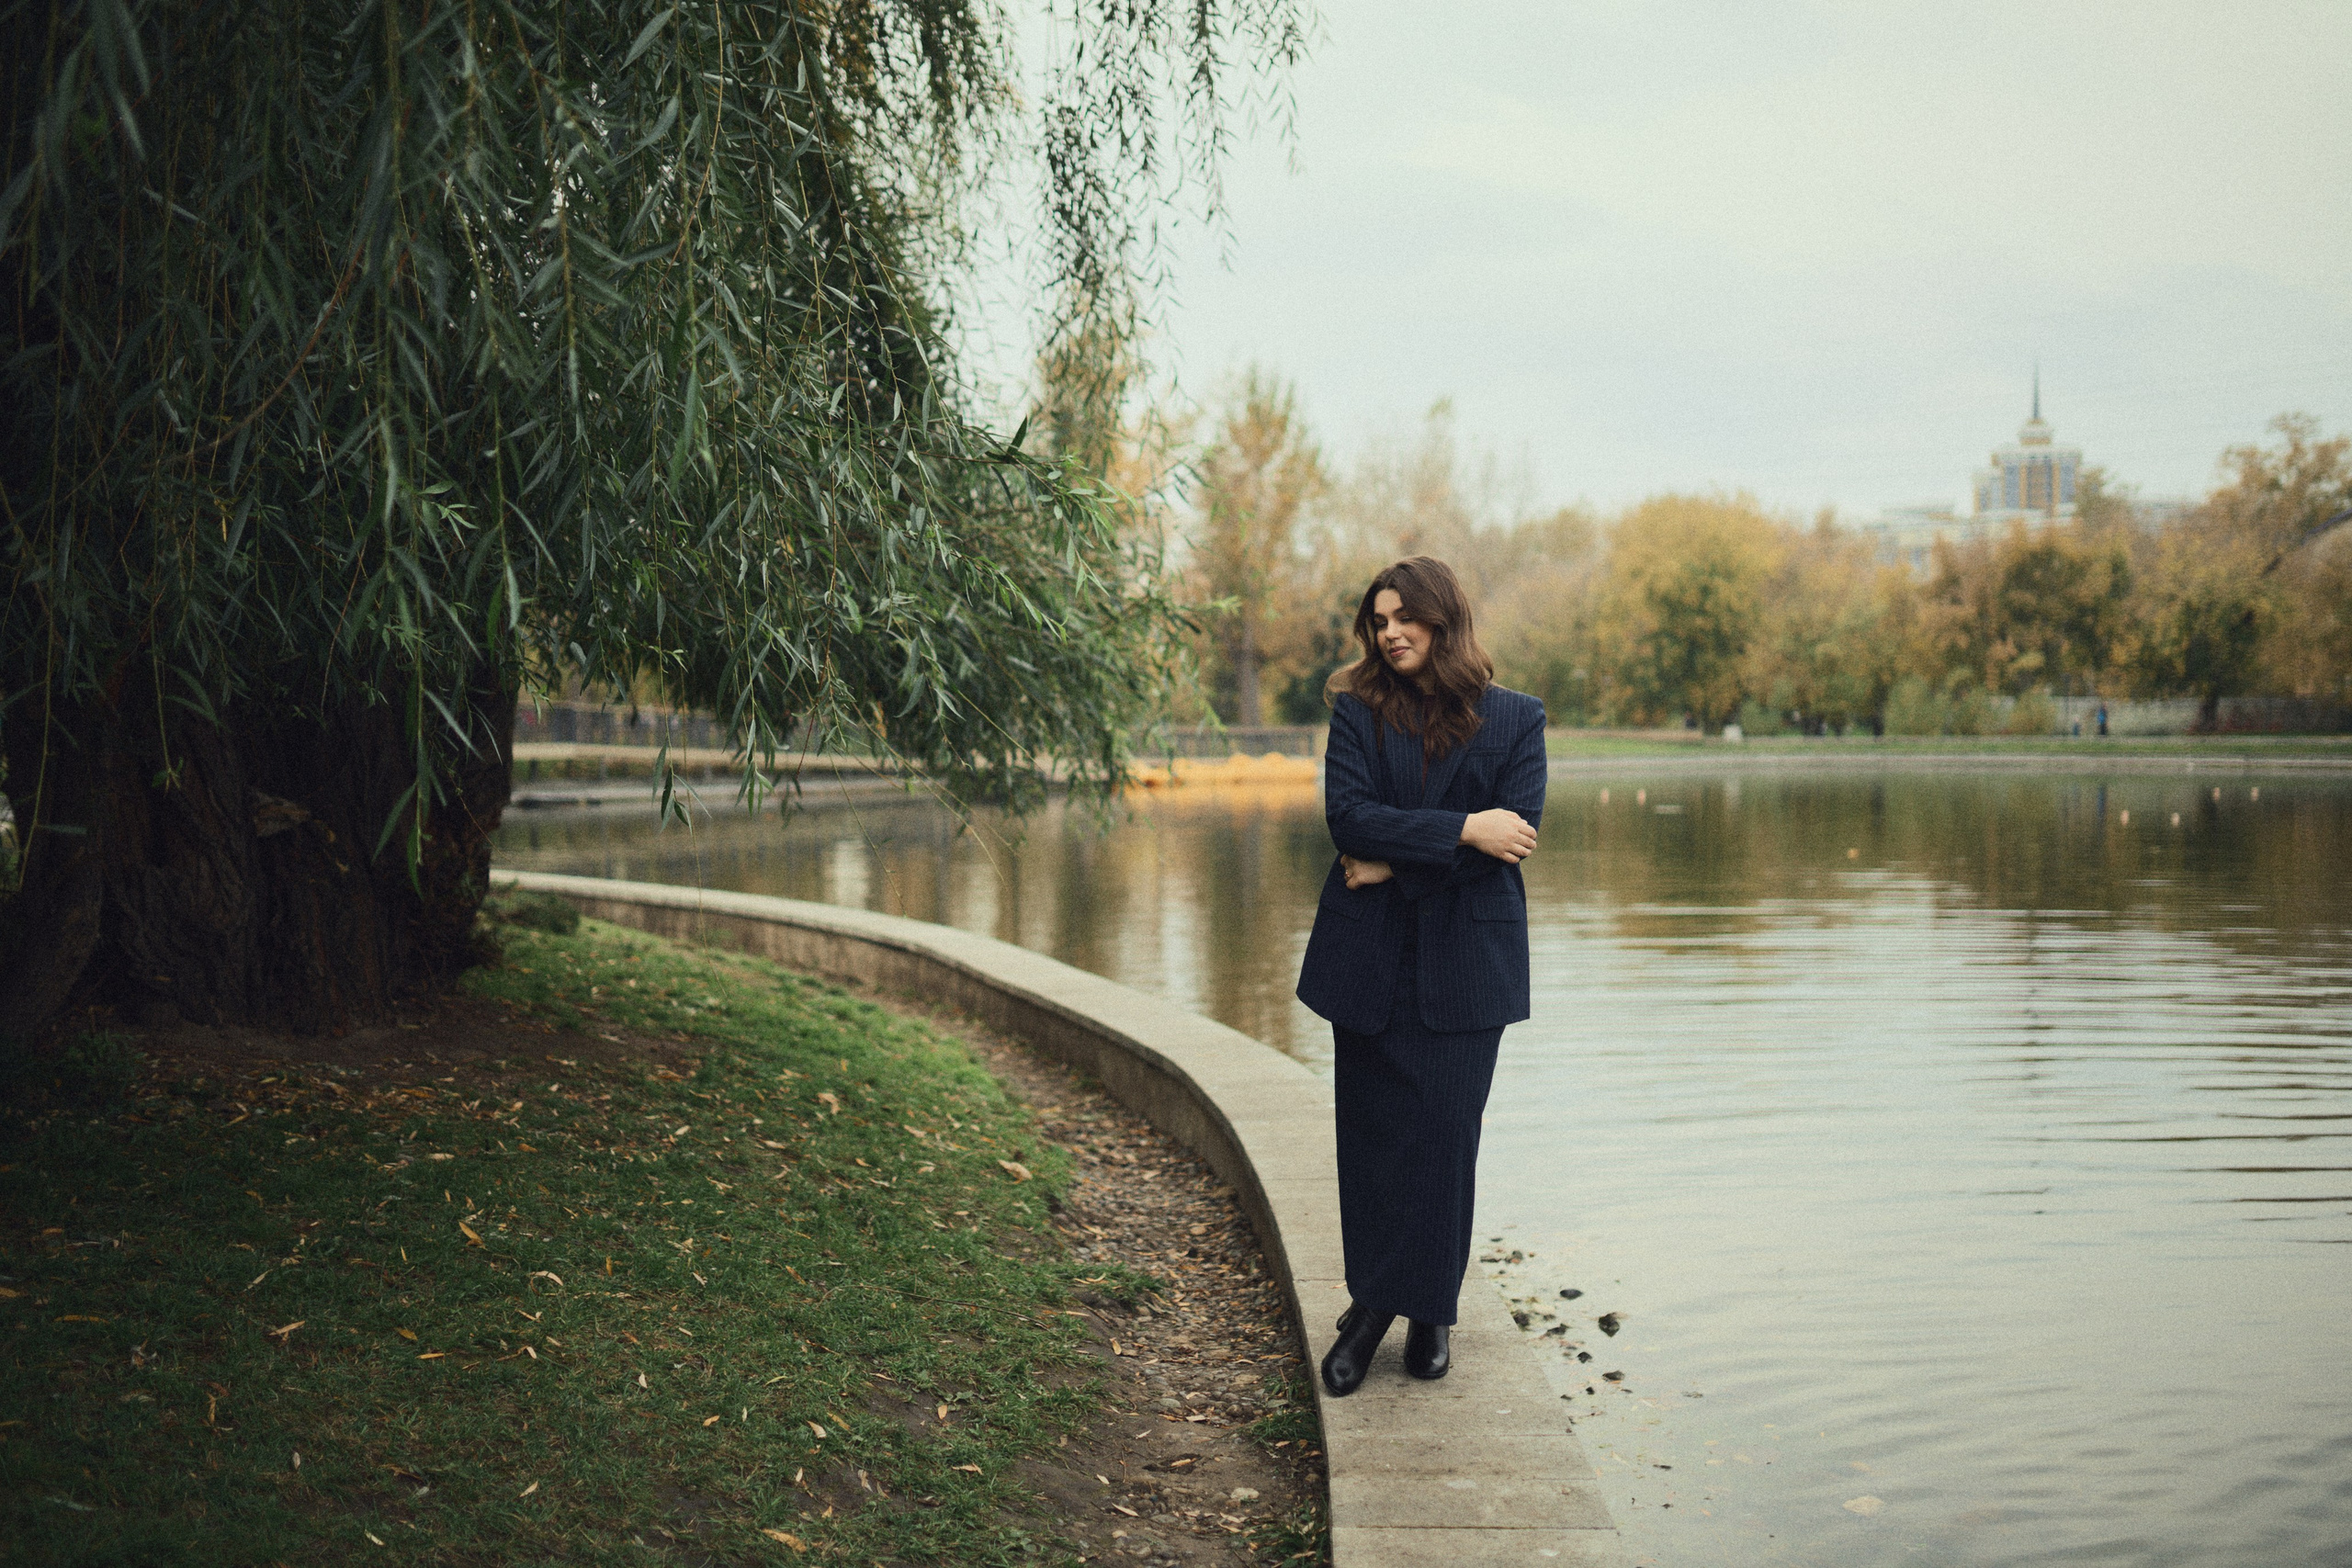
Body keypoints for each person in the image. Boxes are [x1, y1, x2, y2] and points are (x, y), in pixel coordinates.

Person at [1295, 556, 1547, 1396]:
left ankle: (1431, 1311)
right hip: (1366, 961)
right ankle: (1373, 1308)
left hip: (1468, 967)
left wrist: (1396, 863)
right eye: (1378, 620)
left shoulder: (1517, 719)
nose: (1390, 632)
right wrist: (1463, 829)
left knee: (1444, 1140)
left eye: (1405, 616)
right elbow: (1349, 818)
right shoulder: (1358, 711)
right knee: (1373, 1142)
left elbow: (1513, 839)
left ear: (1445, 619)